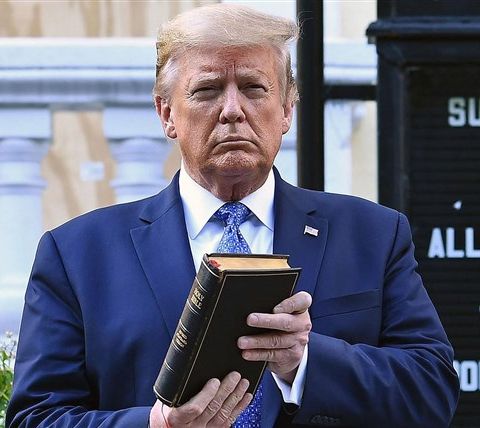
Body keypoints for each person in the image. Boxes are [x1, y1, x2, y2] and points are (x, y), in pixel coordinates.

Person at [7, 4, 459, 428]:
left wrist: (305, 359)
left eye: (253, 87)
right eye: (206, 90)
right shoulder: (77, 254)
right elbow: (36, 417)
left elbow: (433, 390)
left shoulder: (373, 235)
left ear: (286, 110)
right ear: (167, 114)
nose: (231, 110)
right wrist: (155, 424)